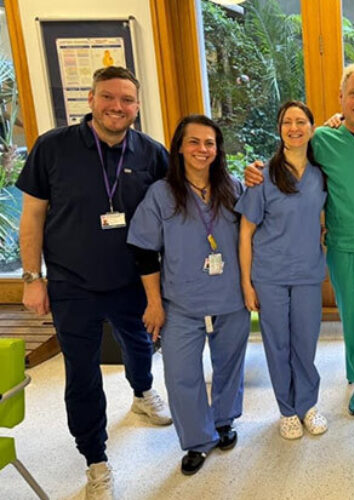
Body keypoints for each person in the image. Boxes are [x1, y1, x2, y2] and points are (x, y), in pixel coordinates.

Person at [245, 62, 354, 441]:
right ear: (341, 98)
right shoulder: (322, 140)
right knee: (353, 323)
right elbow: (288, 154)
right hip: (343, 249)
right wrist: (254, 170)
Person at [16, 66, 171, 499]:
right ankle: (95, 459)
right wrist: (32, 278)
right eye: (108, 97)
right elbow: (32, 216)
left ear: (137, 106)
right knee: (82, 374)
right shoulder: (53, 147)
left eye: (127, 99)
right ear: (91, 99)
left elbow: (182, 200)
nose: (117, 107)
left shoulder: (151, 153)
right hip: (72, 283)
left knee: (140, 346)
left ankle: (142, 392)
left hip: (131, 279)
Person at [127, 115, 249, 475]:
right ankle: (198, 439)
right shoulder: (161, 194)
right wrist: (153, 303)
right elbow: (144, 251)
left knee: (230, 365)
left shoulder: (233, 188)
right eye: (194, 141)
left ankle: (224, 420)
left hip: (230, 298)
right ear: (179, 147)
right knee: (181, 374)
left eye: (209, 143)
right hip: (181, 301)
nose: (202, 149)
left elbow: (253, 237)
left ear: (218, 149)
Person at [236, 101, 328, 440]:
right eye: (287, 122)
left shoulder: (321, 174)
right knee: (277, 345)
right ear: (279, 129)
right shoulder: (263, 175)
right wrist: (246, 284)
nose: (294, 128)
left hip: (307, 273)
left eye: (301, 121)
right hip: (270, 275)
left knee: (305, 344)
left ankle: (307, 405)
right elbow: (245, 233)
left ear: (312, 128)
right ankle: (287, 410)